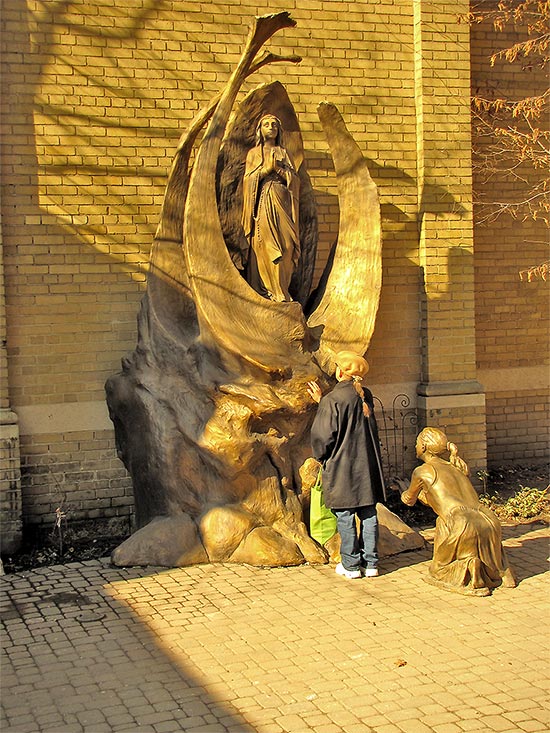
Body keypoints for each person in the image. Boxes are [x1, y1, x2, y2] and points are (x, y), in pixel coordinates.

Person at [399, 427, 516, 596]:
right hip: (487, 517)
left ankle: (470, 568)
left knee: (438, 568)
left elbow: (409, 500)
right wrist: (427, 496)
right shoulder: (456, 466)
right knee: (486, 542)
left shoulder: (422, 471)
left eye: (417, 442)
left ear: (423, 446)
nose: (415, 445)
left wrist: (403, 491)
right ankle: (503, 572)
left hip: (461, 520)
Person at [308, 351, 386, 579]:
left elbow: (323, 437)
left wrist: (321, 457)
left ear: (340, 371)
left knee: (345, 515)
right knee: (369, 513)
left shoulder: (333, 400)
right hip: (367, 467)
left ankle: (350, 565)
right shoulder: (365, 396)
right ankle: (370, 564)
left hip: (342, 467)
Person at [241, 114, 300, 302]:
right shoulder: (253, 154)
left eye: (274, 124)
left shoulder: (284, 153)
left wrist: (280, 171)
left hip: (283, 201)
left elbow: (295, 181)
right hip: (264, 202)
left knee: (288, 246)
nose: (271, 127)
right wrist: (266, 170)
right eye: (266, 124)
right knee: (269, 247)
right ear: (260, 129)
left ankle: (283, 287)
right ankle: (274, 292)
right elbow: (248, 181)